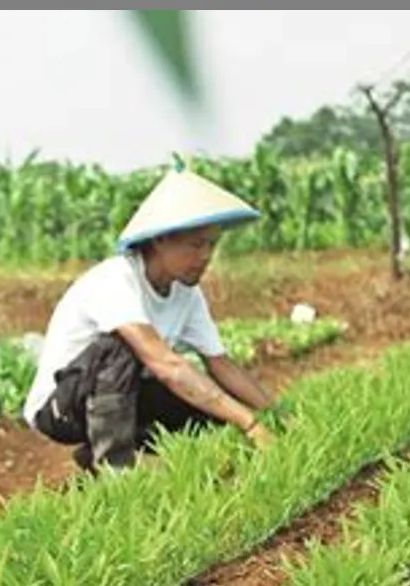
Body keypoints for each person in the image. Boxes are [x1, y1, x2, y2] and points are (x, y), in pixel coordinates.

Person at [23, 162, 279, 470]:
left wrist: (277, 416)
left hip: (122, 400)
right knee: (123, 348)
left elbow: (221, 364)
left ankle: (106, 457)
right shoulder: (116, 280)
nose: (206, 256)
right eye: (196, 244)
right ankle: (115, 468)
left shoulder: (187, 294)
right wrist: (249, 423)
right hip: (62, 409)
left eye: (212, 245)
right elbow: (166, 364)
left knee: (209, 407)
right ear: (160, 240)